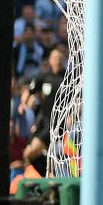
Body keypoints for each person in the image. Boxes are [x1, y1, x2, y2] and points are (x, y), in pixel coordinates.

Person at [23, 46, 67, 175]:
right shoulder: (43, 77)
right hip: (42, 120)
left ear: (64, 59)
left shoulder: (68, 78)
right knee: (30, 154)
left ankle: (36, 177)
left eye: (60, 58)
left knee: (30, 152)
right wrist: (24, 104)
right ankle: (45, 175)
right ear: (50, 60)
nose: (57, 61)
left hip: (57, 123)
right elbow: (30, 91)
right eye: (55, 58)